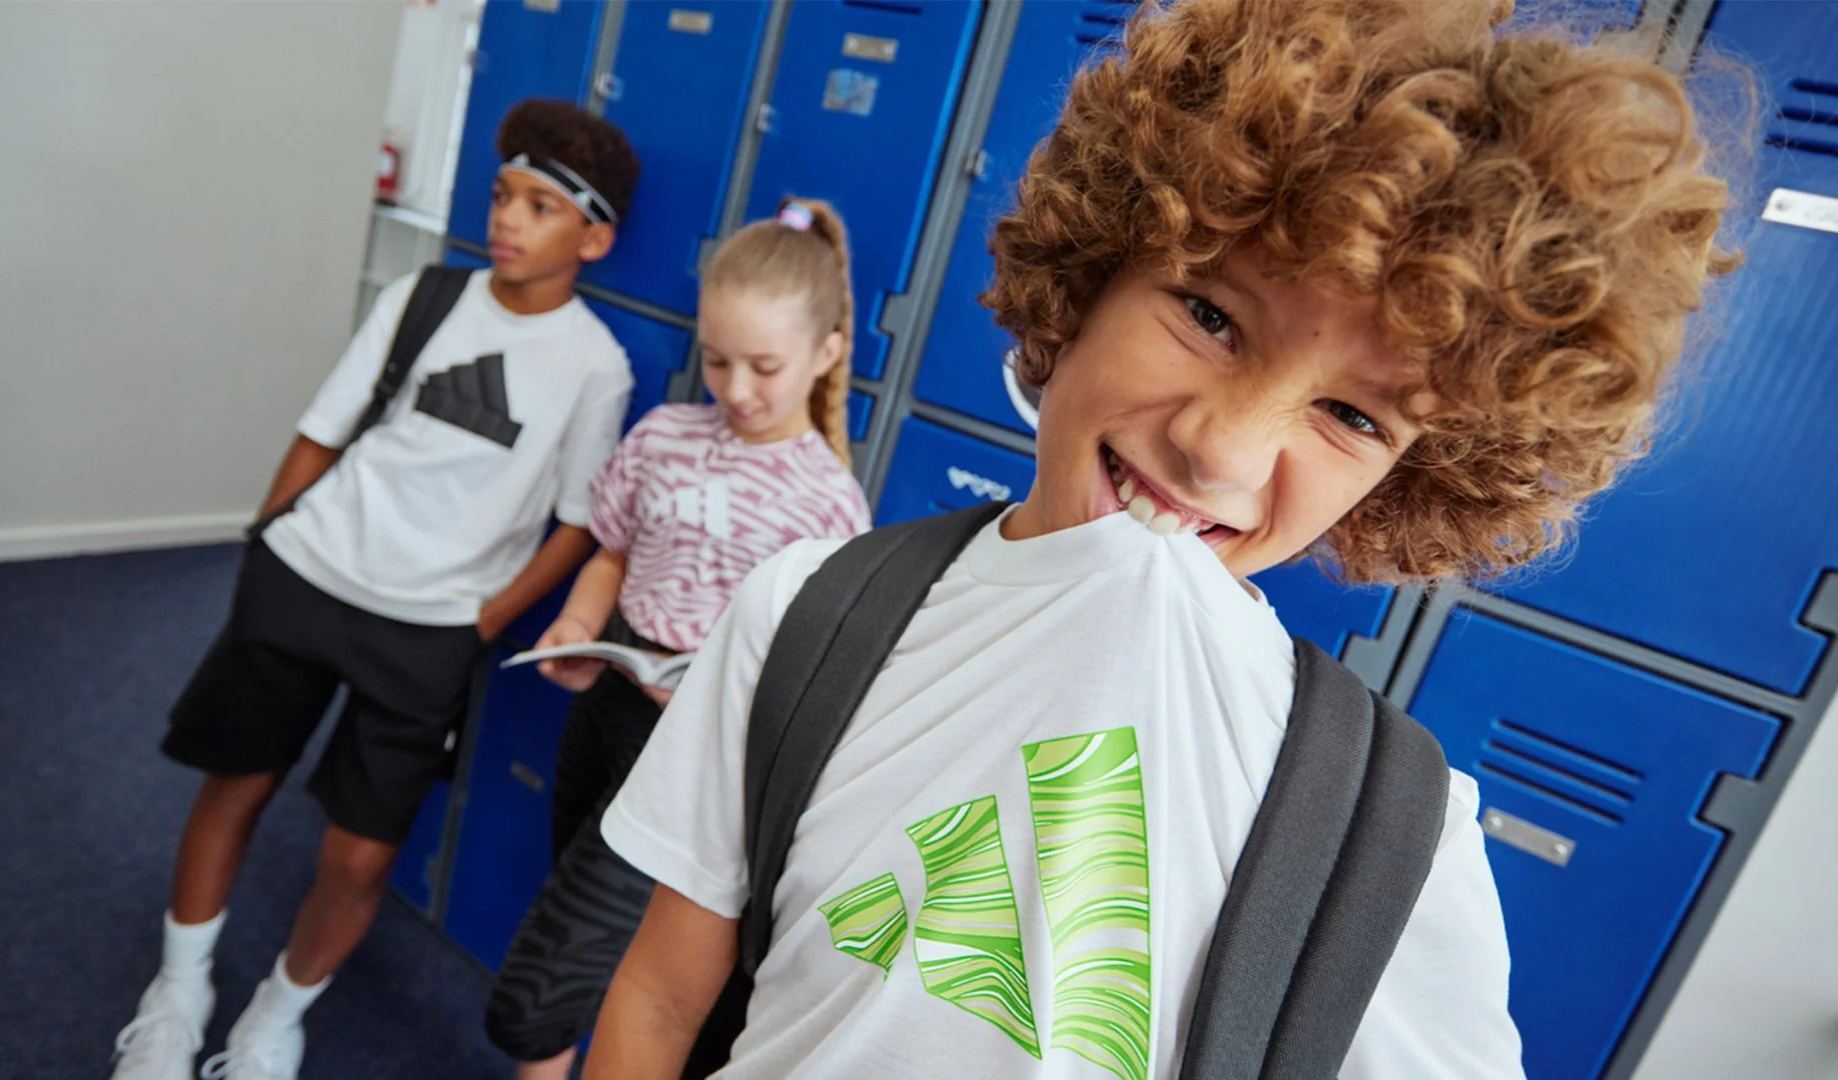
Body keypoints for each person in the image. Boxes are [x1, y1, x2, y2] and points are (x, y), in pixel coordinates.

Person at [580, 0, 1738, 1076]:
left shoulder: (1387, 838)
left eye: (1348, 415)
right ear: (1087, 274)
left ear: (1415, 477)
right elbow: (661, 1000)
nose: (1221, 450)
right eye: (1208, 313)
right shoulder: (808, 613)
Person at [109, 99, 642, 1079]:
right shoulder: (423, 297)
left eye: (538, 205)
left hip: (429, 631)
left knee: (357, 854)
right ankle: (175, 997)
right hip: (307, 577)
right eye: (500, 195)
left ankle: (275, 1018)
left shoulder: (595, 367)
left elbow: (578, 523)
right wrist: (265, 544)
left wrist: (480, 618)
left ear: (593, 237)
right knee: (237, 784)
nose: (508, 219)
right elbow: (323, 428)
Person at [483, 198, 873, 1079]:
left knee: (538, 995)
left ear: (825, 354)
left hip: (702, 764)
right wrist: (583, 625)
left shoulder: (829, 505)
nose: (735, 391)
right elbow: (613, 553)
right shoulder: (664, 436)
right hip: (610, 714)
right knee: (585, 957)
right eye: (717, 360)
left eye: (764, 367)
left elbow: (813, 676)